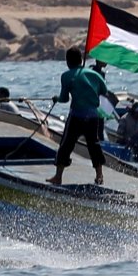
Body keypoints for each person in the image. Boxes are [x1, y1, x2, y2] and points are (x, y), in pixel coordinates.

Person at [49, 46, 112, 187]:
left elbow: (64, 98)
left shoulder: (66, 76)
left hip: (77, 116)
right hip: (93, 116)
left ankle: (58, 177)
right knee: (93, 145)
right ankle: (99, 176)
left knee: (66, 145)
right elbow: (104, 91)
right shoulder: (95, 75)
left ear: (67, 61)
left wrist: (56, 98)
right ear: (80, 59)